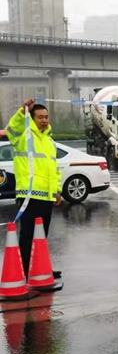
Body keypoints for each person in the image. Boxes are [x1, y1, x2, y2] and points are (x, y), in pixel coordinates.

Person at [5, 99, 62, 279]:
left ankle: (41, 268)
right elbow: (11, 129)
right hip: (29, 196)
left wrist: (57, 191)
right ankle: (26, 270)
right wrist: (23, 112)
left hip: (46, 197)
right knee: (27, 236)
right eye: (40, 117)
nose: (44, 120)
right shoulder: (24, 135)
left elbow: (54, 170)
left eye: (46, 117)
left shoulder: (50, 142)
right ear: (32, 118)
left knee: (41, 237)